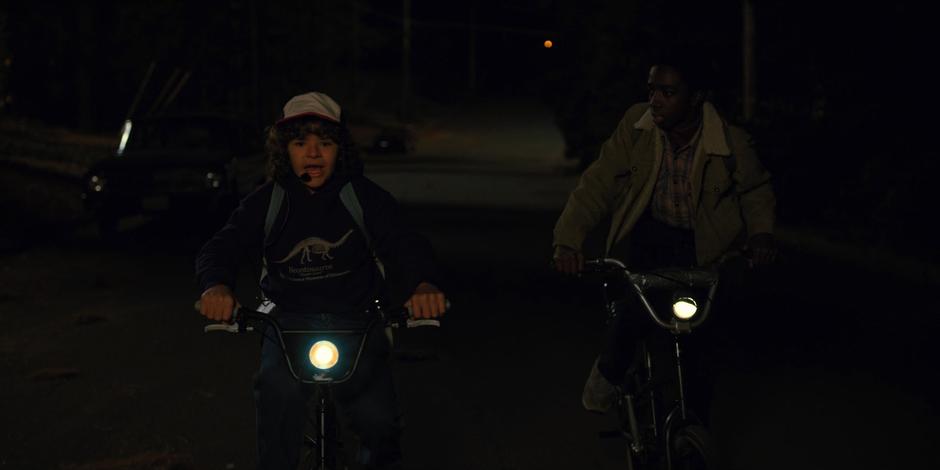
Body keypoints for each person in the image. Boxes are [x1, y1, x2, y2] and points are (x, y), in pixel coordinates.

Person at [195, 91, 447, 470]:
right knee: (276, 396)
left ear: (339, 150)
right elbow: (223, 245)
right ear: (285, 152)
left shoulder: (361, 197)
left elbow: (403, 241)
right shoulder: (269, 201)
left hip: (357, 318)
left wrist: (423, 284)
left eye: (324, 144)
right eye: (300, 144)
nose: (313, 154)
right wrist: (216, 286)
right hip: (287, 321)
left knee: (379, 423)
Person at [552, 50, 777, 415]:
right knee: (634, 311)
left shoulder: (729, 140)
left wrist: (762, 234)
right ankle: (608, 373)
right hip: (651, 236)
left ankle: (695, 427)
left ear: (696, 97)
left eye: (668, 93)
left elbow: (755, 189)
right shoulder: (637, 127)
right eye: (652, 89)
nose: (655, 100)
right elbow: (598, 183)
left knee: (702, 340)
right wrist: (567, 241)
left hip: (703, 246)